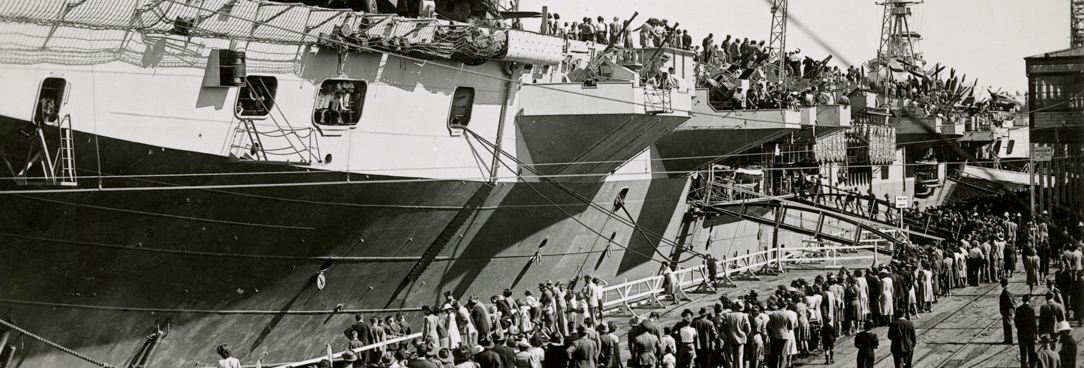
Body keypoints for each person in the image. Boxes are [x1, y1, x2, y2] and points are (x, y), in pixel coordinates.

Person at [721, 300, 751, 368]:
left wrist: (723, 334)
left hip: (729, 338)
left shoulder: (726, 315)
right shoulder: (744, 316)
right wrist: (746, 333)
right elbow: (748, 329)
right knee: (739, 358)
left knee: (730, 359)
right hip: (740, 339)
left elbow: (720, 325)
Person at [1016, 294, 1039, 368]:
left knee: (1023, 352)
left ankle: (1023, 366)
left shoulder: (1018, 309)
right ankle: (1032, 366)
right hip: (1030, 334)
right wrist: (1035, 333)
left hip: (1021, 334)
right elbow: (1034, 323)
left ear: (1023, 300)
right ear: (1029, 300)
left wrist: (1019, 329)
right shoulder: (1031, 310)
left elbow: (1016, 321)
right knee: (1031, 351)